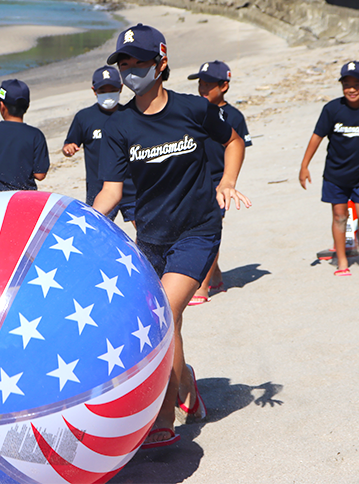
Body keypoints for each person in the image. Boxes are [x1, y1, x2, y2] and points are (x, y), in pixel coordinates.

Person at [93, 24, 250, 447]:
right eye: (123, 64)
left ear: (161, 63)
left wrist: (227, 182)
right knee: (169, 319)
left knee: (160, 314)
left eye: (138, 62)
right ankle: (186, 385)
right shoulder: (119, 125)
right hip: (151, 239)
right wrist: (83, 222)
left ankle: (163, 413)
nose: (129, 72)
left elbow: (233, 141)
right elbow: (111, 191)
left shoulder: (193, 110)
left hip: (198, 230)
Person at [299, 60, 359, 276]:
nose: (351, 89)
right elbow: (317, 137)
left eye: (357, 84)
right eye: (346, 84)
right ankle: (342, 262)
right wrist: (304, 166)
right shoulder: (332, 109)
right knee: (339, 217)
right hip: (335, 175)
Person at [187, 61, 252, 304]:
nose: (202, 88)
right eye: (200, 83)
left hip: (219, 182)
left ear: (224, 86)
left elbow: (238, 147)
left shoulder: (234, 116)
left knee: (209, 229)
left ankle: (202, 286)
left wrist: (229, 182)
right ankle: (216, 275)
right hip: (194, 178)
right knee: (194, 229)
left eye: (208, 84)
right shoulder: (194, 111)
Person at [62, 66, 136, 224]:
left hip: (130, 185)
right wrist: (68, 148)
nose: (108, 94)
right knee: (97, 229)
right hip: (99, 188)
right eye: (103, 90)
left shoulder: (130, 115)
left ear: (121, 88)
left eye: (112, 89)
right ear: (94, 90)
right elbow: (70, 143)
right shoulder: (84, 117)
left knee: (145, 230)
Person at [0, 79, 49, 192]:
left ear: (2, 106)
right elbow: (40, 174)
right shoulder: (36, 135)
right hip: (25, 195)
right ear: (27, 106)